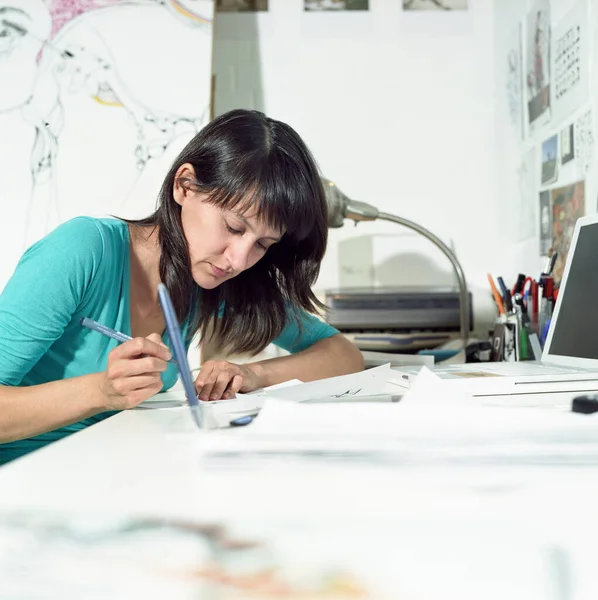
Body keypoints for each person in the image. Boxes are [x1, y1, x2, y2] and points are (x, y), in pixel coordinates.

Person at [0, 108, 364, 464]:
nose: (238, 259)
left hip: (107, 476)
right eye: (234, 228)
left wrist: (253, 374)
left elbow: (343, 355)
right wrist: (100, 391)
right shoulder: (82, 250)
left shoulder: (213, 279)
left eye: (262, 244)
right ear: (184, 185)